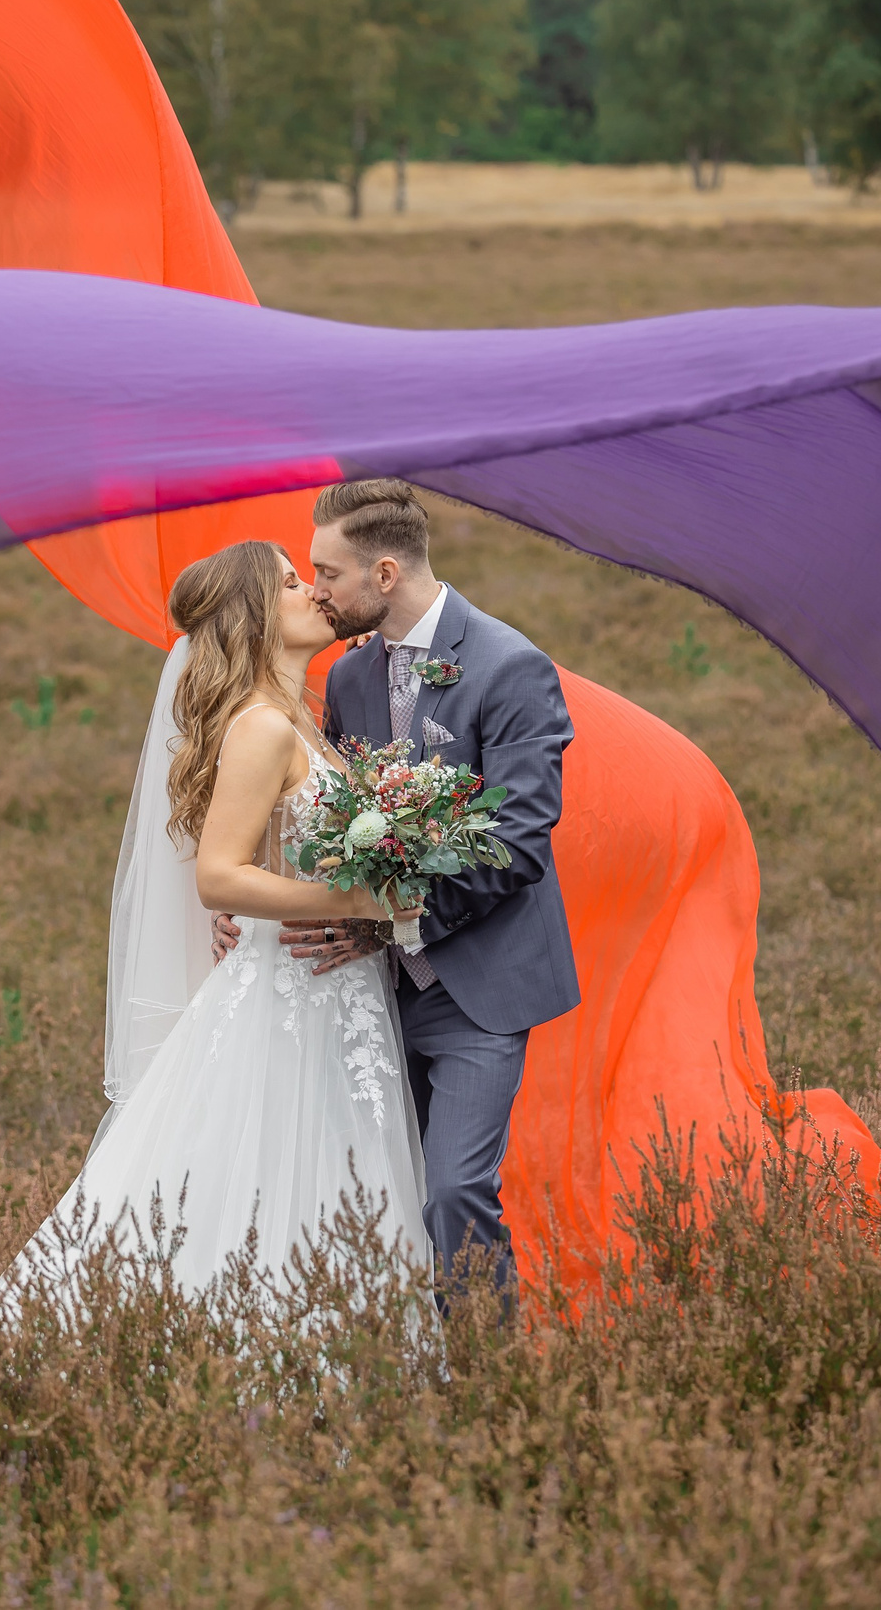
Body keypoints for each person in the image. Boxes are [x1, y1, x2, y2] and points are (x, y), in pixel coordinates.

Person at [1, 539, 430, 1299]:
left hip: (336, 993)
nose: (313, 593)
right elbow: (219, 875)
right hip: (290, 994)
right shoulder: (263, 726)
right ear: (258, 614)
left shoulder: (299, 721)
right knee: (266, 1183)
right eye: (293, 583)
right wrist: (360, 903)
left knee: (328, 1188)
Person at [216, 480, 580, 1303]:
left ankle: (492, 1374)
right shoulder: (347, 680)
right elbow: (330, 823)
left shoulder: (509, 666)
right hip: (364, 995)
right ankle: (404, 1370)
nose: (316, 589)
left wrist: (392, 923)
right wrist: (241, 901)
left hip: (474, 985)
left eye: (328, 571)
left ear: (384, 573)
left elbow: (518, 842)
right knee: (370, 1191)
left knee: (452, 1188)